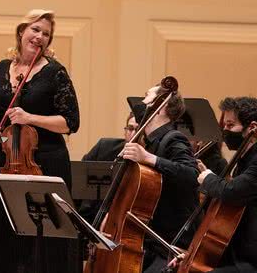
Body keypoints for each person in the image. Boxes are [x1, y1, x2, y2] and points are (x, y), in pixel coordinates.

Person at [0, 9, 81, 273]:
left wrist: (29, 117)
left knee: (42, 242)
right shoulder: (1, 69)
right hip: (5, 158)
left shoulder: (55, 73)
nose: (40, 37)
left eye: (46, 34)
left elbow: (70, 122)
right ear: (22, 31)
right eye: (35, 29)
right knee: (0, 231)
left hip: (43, 161)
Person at [117, 80, 199, 273]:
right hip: (156, 238)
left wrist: (148, 158)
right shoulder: (153, 141)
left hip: (172, 242)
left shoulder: (173, 138)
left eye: (147, 96)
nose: (142, 102)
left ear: (161, 107)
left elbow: (191, 174)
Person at [173, 96, 257, 273]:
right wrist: (193, 255)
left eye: (230, 125)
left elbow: (232, 192)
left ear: (252, 127)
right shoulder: (242, 161)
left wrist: (208, 177)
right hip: (235, 254)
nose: (224, 131)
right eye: (224, 125)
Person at [77, 111, 139, 222]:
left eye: (138, 130)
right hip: (91, 214)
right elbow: (79, 178)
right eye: (130, 128)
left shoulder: (149, 155)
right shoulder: (104, 147)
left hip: (124, 220)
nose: (133, 134)